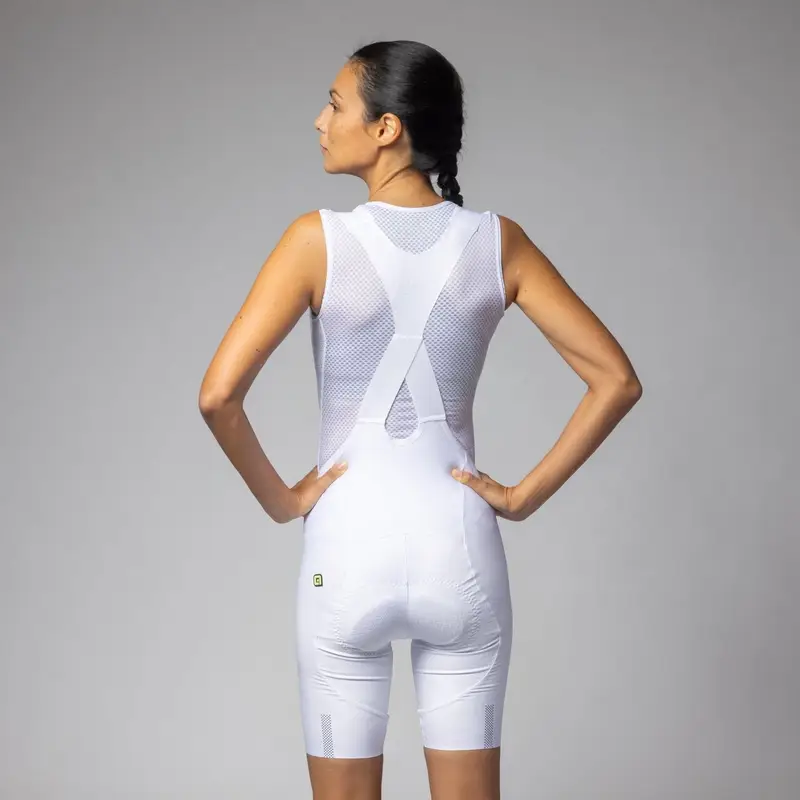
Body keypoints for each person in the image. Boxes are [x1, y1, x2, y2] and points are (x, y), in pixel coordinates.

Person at [199, 39, 642, 800]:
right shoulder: (498, 243)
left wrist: (284, 501)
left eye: (335, 104)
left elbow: (218, 396)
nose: (319, 121)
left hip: (344, 552)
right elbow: (617, 380)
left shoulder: (315, 241)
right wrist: (519, 498)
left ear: (386, 128)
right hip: (460, 549)